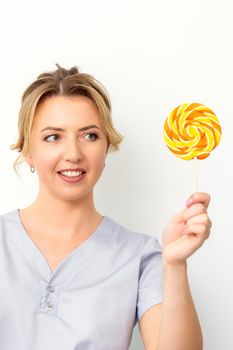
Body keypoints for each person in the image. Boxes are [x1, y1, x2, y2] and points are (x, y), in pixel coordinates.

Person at [0, 64, 211, 350]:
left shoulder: (140, 256)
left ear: (106, 147)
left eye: (90, 136)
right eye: (53, 137)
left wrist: (175, 265)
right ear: (27, 151)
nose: (73, 154)